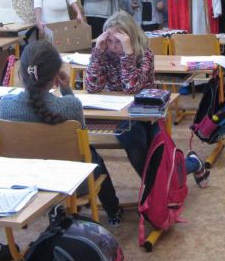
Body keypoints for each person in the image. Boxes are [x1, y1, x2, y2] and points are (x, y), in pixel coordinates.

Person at [0, 40, 124, 226]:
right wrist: (67, 90)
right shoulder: (70, 106)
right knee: (91, 153)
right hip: (71, 183)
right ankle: (113, 211)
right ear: (56, 75)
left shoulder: (6, 104)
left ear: (21, 73)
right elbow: (81, 139)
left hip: (24, 181)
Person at [84, 11, 209, 186]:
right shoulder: (104, 54)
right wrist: (97, 52)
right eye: (109, 41)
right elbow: (92, 87)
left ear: (130, 39)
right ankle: (157, 188)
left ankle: (186, 167)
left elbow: (132, 88)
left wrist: (127, 54)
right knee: (135, 143)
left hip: (148, 115)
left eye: (118, 42)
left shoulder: (145, 54)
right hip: (120, 115)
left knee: (149, 153)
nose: (113, 47)